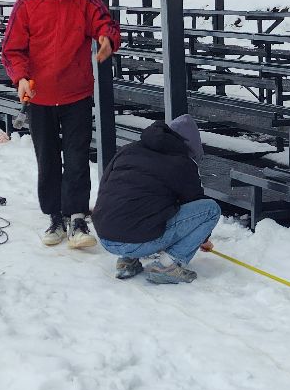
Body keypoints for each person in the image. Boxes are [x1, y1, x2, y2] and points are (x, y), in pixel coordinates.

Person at [0, 0, 121, 248]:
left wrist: (107, 39)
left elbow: (105, 23)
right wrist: (21, 77)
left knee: (78, 157)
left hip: (76, 93)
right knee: (48, 158)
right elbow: (12, 49)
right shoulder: (26, 4)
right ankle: (55, 215)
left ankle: (78, 216)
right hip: (39, 96)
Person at [92, 115, 221, 284]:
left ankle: (127, 260)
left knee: (136, 199)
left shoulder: (128, 149)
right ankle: (168, 266)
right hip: (135, 238)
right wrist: (202, 238)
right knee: (211, 210)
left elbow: (107, 188)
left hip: (106, 236)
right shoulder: (182, 163)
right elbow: (194, 203)